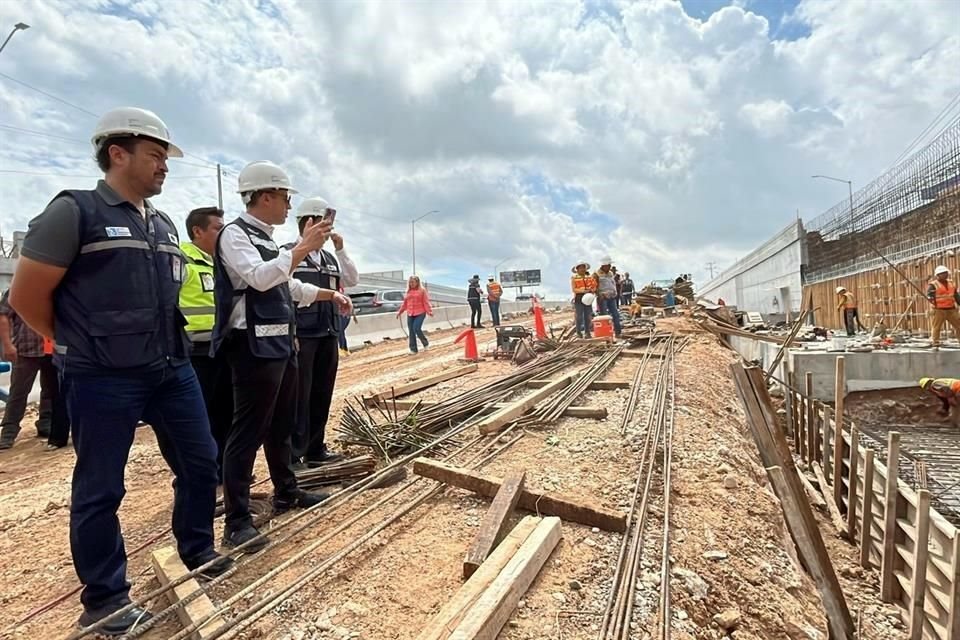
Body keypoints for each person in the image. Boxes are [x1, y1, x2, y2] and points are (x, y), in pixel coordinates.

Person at [9, 107, 232, 634]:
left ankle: (197, 549)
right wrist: (78, 344)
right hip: (102, 377)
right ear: (117, 153)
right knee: (101, 488)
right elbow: (25, 296)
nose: (164, 167)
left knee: (202, 464)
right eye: (155, 155)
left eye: (165, 158)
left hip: (171, 367)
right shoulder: (75, 212)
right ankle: (106, 601)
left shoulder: (161, 223)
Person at [211, 161, 352, 552]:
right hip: (251, 348)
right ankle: (238, 521)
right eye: (285, 198)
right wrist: (303, 248)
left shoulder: (268, 240)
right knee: (247, 432)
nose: (288, 207)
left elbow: (285, 286)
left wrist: (329, 294)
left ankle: (286, 491)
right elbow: (258, 277)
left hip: (280, 345)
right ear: (266, 196)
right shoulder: (234, 236)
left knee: (281, 425)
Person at [285, 197, 359, 468]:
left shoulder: (329, 258)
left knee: (321, 393)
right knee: (297, 396)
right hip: (302, 334)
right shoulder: (289, 252)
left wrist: (340, 250)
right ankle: (293, 454)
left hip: (328, 332)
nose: (328, 231)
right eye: (324, 225)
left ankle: (315, 449)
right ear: (309, 223)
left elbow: (351, 279)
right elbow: (284, 291)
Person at [179, 206, 232, 480]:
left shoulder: (220, 262)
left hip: (222, 348)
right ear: (197, 231)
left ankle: (223, 468)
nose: (223, 234)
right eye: (217, 228)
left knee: (226, 411)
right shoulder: (182, 260)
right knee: (203, 415)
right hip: (195, 351)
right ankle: (198, 473)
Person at [0, 289, 69, 450]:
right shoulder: (18, 290)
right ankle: (8, 432)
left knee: (51, 391)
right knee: (18, 393)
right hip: (25, 350)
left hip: (51, 348)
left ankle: (45, 423)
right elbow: (3, 316)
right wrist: (8, 345)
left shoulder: (54, 288)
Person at [927, 265, 960, 349]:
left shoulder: (951, 283)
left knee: (958, 325)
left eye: (946, 273)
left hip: (951, 309)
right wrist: (931, 299)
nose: (945, 275)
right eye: (942, 273)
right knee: (936, 327)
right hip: (939, 309)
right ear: (937, 275)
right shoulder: (933, 285)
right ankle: (935, 343)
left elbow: (956, 295)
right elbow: (930, 295)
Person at [397, 276, 433, 353]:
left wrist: (429, 311)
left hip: (420, 312)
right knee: (411, 331)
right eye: (410, 282)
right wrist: (400, 312)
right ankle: (413, 349)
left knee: (416, 328)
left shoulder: (422, 291)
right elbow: (405, 304)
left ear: (417, 282)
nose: (411, 284)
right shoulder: (408, 291)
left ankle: (425, 343)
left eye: (413, 282)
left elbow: (425, 302)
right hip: (410, 313)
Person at [594, 256, 623, 338]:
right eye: (608, 265)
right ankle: (606, 334)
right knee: (605, 316)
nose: (610, 266)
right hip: (603, 298)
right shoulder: (596, 274)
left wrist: (615, 292)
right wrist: (600, 295)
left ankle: (618, 332)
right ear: (604, 265)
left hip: (612, 297)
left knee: (615, 314)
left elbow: (613, 284)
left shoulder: (610, 273)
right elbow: (594, 287)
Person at [570, 260, 596, 338]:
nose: (582, 269)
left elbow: (594, 286)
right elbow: (574, 289)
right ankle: (578, 333)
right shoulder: (574, 278)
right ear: (577, 269)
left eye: (583, 267)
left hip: (588, 298)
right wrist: (583, 290)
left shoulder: (589, 277)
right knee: (579, 316)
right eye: (580, 268)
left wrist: (592, 290)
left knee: (588, 315)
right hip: (579, 298)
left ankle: (587, 333)